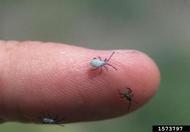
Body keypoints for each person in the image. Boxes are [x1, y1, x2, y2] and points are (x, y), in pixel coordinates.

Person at [0, 40, 160, 124]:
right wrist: (104, 63)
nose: (105, 63)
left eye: (105, 63)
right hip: (95, 64)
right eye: (105, 62)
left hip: (95, 64)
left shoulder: (101, 64)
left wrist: (102, 63)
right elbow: (99, 63)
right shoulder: (101, 65)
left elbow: (98, 62)